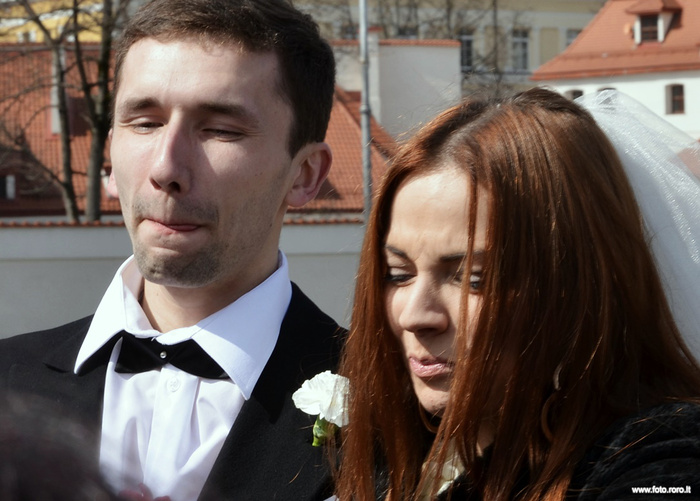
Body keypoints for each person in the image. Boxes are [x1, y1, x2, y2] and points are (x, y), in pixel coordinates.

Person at [0, 0, 343, 499]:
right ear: (110, 155)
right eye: (145, 122)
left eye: (220, 130)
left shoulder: (393, 405)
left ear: (305, 174)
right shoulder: (6, 382)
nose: (166, 167)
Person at [335, 87, 700, 500]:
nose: (414, 316)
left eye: (473, 280)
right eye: (398, 274)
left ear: (574, 287)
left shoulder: (664, 454)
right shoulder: (396, 456)